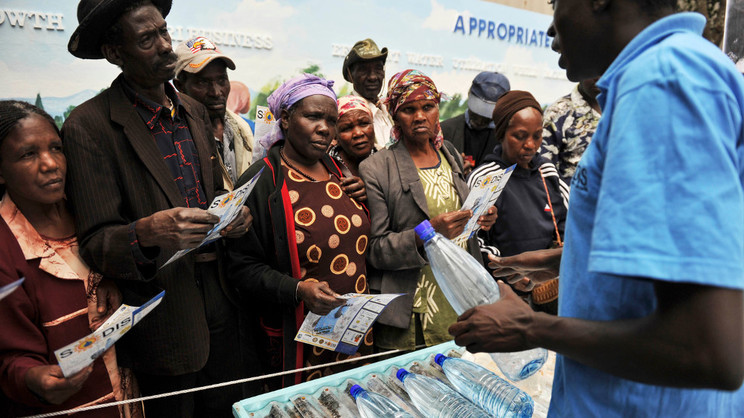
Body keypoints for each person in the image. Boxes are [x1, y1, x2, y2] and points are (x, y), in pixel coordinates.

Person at [450, 3, 744, 416]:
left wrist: (529, 326)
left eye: (557, 3)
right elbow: (670, 260)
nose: (551, 28)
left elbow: (706, 350)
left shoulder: (662, 82)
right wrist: (564, 260)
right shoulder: (663, 76)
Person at [63, 1, 253, 416]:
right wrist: (146, 233)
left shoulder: (195, 111)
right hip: (162, 326)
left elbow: (208, 198)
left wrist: (230, 216)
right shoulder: (88, 126)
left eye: (164, 31)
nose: (167, 45)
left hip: (223, 307)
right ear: (115, 54)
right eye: (148, 39)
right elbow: (96, 243)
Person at [227, 74, 373, 389]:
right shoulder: (262, 181)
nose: (325, 128)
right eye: (313, 116)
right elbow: (241, 268)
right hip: (300, 342)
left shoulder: (339, 170)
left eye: (332, 121)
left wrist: (365, 203)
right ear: (286, 119)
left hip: (353, 333)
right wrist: (298, 290)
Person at [0, 101, 141, 417]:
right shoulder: (5, 251)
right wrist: (33, 377)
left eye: (56, 148)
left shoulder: (95, 215)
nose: (51, 163)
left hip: (132, 399)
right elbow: (9, 358)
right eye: (28, 154)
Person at [359, 69, 497, 352]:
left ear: (438, 110)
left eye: (428, 107)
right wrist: (428, 234)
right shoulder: (376, 168)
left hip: (460, 297)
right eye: (409, 109)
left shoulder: (449, 154)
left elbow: (460, 220)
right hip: (416, 309)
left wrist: (481, 216)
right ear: (395, 115)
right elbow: (374, 249)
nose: (420, 116)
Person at [467, 90, 568, 313]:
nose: (531, 145)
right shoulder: (485, 179)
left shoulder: (548, 174)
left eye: (537, 136)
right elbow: (472, 241)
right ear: (502, 134)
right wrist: (510, 272)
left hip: (549, 296)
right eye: (520, 136)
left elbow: (569, 226)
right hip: (501, 297)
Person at [174, 36, 255, 190]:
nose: (216, 92)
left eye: (222, 80)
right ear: (180, 86)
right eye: (202, 82)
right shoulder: (177, 137)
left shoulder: (242, 128)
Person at [440, 71, 511, 175]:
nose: (480, 120)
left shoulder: (506, 139)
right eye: (476, 113)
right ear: (469, 94)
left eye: (487, 117)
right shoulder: (444, 131)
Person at [540, 77, 600, 184]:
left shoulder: (622, 107)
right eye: (591, 72)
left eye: (603, 71)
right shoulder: (558, 113)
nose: (598, 78)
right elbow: (545, 171)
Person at [342, 38, 394, 149]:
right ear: (350, 75)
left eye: (378, 69)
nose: (372, 77)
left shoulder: (391, 112)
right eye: (363, 70)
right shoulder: (344, 117)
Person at [328, 95, 377, 179]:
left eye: (364, 123)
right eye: (346, 128)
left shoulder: (389, 162)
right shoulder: (326, 168)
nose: (358, 133)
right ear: (335, 136)